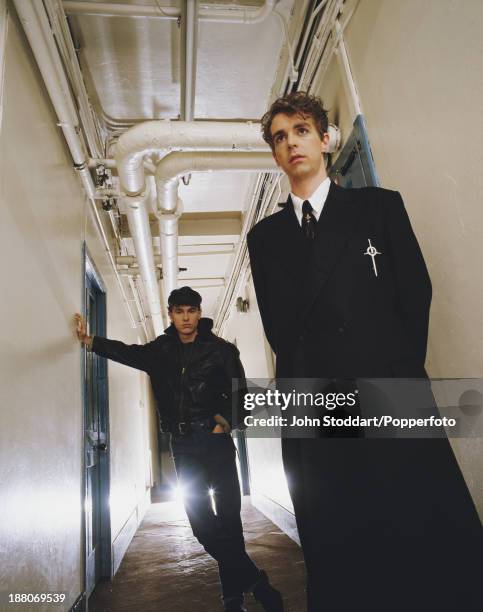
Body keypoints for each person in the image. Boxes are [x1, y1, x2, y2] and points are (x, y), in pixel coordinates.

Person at [247, 92, 482, 611]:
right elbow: (279, 329)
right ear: (275, 155)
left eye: (301, 130)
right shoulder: (263, 238)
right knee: (340, 538)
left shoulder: (379, 207)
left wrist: (396, 376)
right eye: (280, 137)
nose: (291, 144)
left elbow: (415, 292)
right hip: (315, 405)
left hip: (389, 391)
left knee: (420, 525)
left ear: (326, 140)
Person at [74, 286, 284, 612]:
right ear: (171, 314)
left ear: (199, 313)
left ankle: (232, 598)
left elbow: (243, 397)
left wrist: (223, 424)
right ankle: (256, 581)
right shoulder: (161, 351)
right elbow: (127, 352)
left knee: (229, 522)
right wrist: (91, 342)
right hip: (183, 446)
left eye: (191, 311)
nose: (185, 318)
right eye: (179, 311)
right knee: (201, 525)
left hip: (216, 443)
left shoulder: (222, 351)